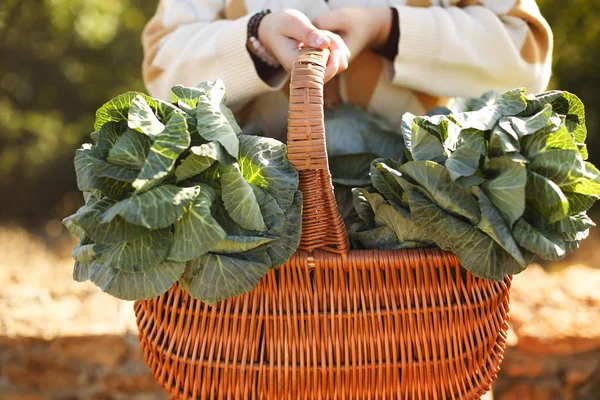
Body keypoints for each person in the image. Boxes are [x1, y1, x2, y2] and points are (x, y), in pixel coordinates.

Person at [141, 0, 552, 143]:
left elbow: (525, 58)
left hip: (432, 229)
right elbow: (162, 72)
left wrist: (388, 28)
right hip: (250, 229)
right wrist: (256, 37)